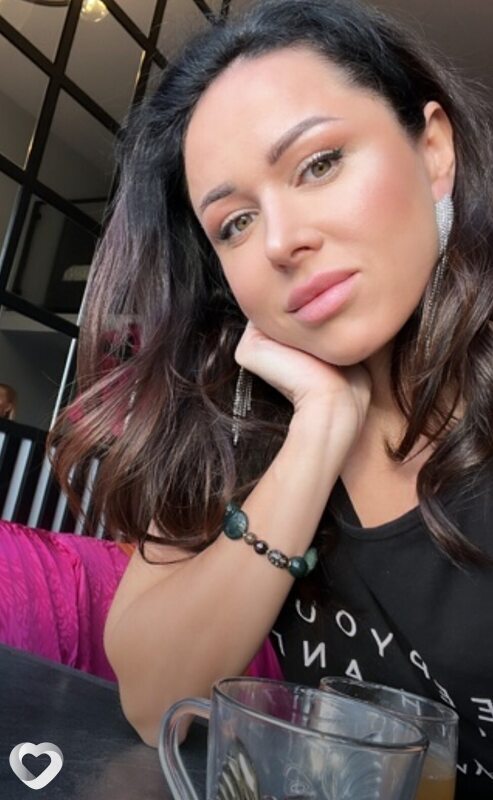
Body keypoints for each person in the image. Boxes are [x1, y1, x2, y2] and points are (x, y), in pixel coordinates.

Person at [49, 1, 493, 796]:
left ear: (432, 151)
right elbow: (153, 700)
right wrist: (318, 433)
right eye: (235, 223)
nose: (282, 240)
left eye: (318, 164)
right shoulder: (232, 422)